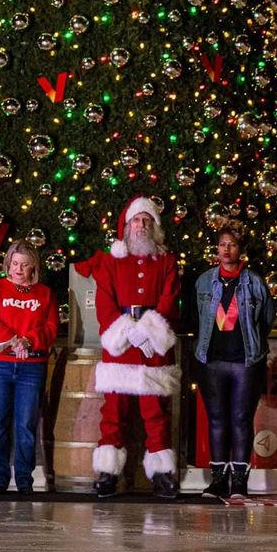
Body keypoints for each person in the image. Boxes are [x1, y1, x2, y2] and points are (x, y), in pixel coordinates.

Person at [91, 196, 180, 499]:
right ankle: (107, 472)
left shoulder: (166, 261)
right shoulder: (110, 261)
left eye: (146, 220)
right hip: (121, 346)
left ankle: (162, 474)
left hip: (153, 347)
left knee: (156, 413)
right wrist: (127, 331)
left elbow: (170, 298)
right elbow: (104, 301)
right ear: (126, 226)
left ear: (154, 226)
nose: (141, 226)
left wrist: (149, 331)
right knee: (113, 412)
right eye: (136, 220)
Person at [194, 225, 275, 499]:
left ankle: (239, 482)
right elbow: (196, 317)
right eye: (222, 244)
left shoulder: (254, 282)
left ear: (240, 250)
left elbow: (267, 319)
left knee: (241, 419)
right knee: (217, 419)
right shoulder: (205, 281)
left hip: (244, 362)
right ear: (217, 249)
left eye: (232, 244)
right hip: (212, 361)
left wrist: (252, 344)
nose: (226, 249)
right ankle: (218, 481)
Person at [0, 241, 59, 495]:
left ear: (33, 267)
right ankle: (0, 479)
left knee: (26, 423)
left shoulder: (45, 294)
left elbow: (51, 328)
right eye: (14, 264)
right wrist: (15, 342)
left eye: (24, 265)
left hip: (31, 367)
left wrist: (29, 341)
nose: (18, 269)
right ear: (8, 264)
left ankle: (25, 479)